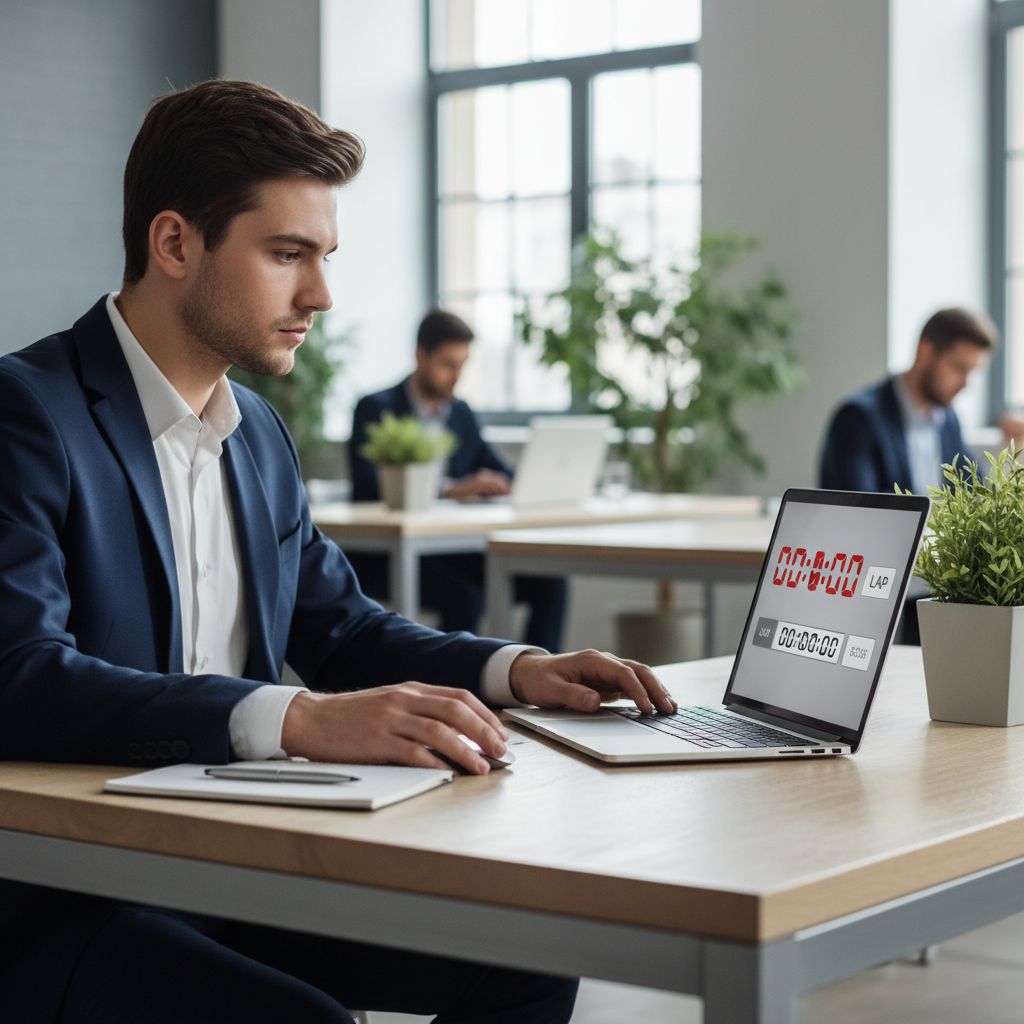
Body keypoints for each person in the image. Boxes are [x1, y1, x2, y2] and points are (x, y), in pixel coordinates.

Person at [0, 80, 678, 1024]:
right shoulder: (29, 412)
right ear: (173, 243)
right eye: (288, 254)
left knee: (534, 950)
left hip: (228, 864)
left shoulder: (259, 437)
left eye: (323, 256)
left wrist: (516, 669)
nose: (320, 294)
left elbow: (345, 630)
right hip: (69, 895)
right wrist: (297, 720)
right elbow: (19, 678)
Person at [348, 311, 569, 650]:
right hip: (389, 554)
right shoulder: (377, 408)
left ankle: (538, 681)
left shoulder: (460, 413)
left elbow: (497, 469)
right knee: (465, 596)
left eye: (462, 365)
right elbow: (367, 488)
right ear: (421, 356)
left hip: (450, 548)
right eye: (448, 364)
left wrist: (531, 481)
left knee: (551, 585)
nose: (456, 376)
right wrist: (451, 489)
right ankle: (448, 688)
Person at [819, 307, 1020, 494]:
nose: (966, 384)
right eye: (960, 369)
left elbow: (976, 491)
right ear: (925, 352)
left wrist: (1014, 449)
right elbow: (856, 508)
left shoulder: (948, 420)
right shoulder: (858, 419)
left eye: (972, 373)